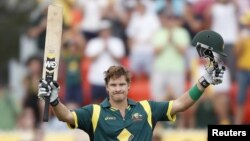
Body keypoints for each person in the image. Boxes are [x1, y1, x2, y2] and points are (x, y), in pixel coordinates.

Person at [38, 30, 226, 140]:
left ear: (129, 86)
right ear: (107, 88)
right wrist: (54, 101)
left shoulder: (147, 109)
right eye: (113, 85)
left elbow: (181, 103)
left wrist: (204, 81)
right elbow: (67, 117)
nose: (118, 88)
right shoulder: (94, 113)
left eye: (121, 84)